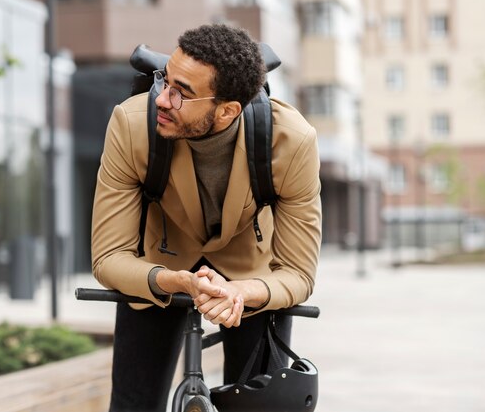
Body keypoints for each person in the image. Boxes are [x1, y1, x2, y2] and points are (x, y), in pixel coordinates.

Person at [91, 23, 321, 412]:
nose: (163, 99)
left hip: (250, 270)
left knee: (264, 407)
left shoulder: (292, 141)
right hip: (160, 263)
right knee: (132, 403)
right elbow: (108, 257)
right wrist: (171, 280)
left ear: (228, 110)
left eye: (183, 93)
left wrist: (242, 292)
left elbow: (298, 273)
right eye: (167, 81)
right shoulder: (132, 125)